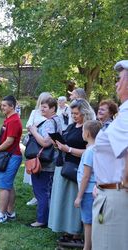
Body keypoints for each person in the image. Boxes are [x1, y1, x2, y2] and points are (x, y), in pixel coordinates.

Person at [92, 60, 128, 250]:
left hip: (116, 196)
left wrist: (118, 185)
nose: (116, 83)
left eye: (119, 79)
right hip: (112, 192)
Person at [48, 99, 94, 248]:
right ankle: (67, 229)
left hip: (76, 169)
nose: (73, 116)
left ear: (84, 112)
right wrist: (58, 144)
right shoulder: (72, 126)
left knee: (73, 201)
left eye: (76, 113)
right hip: (63, 165)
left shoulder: (89, 128)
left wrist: (68, 149)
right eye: (72, 113)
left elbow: (90, 151)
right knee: (64, 200)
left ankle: (75, 232)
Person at [27, 97, 62, 227]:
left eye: (45, 107)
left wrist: (34, 132)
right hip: (53, 160)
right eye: (41, 106)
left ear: (53, 108)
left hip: (45, 162)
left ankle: (41, 220)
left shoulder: (49, 123)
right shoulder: (57, 120)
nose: (42, 109)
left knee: (41, 191)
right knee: (48, 190)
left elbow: (46, 142)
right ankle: (49, 218)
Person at [0, 95, 22, 223]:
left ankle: (2, 214)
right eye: (2, 105)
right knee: (8, 185)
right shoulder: (9, 119)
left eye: (4, 105)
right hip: (10, 155)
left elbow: (10, 141)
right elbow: (6, 138)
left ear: (12, 106)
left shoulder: (14, 120)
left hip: (11, 156)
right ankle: (10, 212)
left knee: (3, 186)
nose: (1, 107)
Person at [74, 120, 101, 250]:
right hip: (94, 190)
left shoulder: (89, 152)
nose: (81, 132)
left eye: (82, 130)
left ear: (88, 133)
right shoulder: (97, 148)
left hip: (88, 192)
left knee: (88, 222)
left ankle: (87, 247)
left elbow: (86, 176)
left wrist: (79, 196)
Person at [25, 92, 51, 206]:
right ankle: (35, 195)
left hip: (45, 144)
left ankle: (42, 197)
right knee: (33, 167)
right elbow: (29, 126)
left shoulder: (52, 115)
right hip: (35, 144)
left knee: (44, 170)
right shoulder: (35, 113)